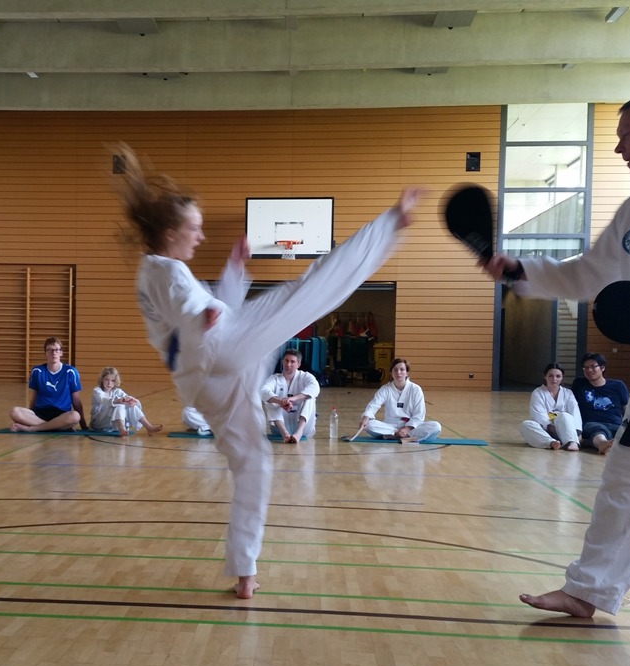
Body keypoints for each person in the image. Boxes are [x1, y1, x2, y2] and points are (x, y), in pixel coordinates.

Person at [112, 142, 421, 599]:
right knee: (309, 290)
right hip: (221, 349)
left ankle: (245, 571)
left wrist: (233, 271)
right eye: (194, 228)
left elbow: (194, 312)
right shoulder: (166, 271)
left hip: (205, 382)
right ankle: (390, 223)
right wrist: (204, 317)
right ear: (172, 231)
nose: (200, 236)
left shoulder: (152, 272)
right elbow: (190, 308)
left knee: (254, 463)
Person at [480, 91, 630, 618]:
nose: (619, 148)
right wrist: (521, 271)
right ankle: (588, 590)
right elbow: (589, 273)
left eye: (626, 136)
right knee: (625, 474)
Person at [9, 336, 87, 432]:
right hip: (41, 412)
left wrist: (83, 424)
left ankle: (33, 428)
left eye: (56, 350)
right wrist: (29, 414)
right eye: (49, 350)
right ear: (45, 353)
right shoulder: (37, 371)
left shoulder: (70, 372)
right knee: (14, 411)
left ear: (61, 353)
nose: (53, 353)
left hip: (62, 414)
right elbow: (34, 398)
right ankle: (57, 426)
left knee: (75, 416)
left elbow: (76, 401)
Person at [358, 358, 441, 442]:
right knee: (368, 424)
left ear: (407, 373)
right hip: (390, 427)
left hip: (410, 427)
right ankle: (399, 435)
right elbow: (374, 404)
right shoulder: (385, 389)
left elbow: (419, 414)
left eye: (402, 369)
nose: (398, 372)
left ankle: (396, 436)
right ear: (391, 373)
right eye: (395, 370)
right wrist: (365, 419)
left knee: (436, 426)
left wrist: (407, 429)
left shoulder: (416, 389)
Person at [570, 352, 629, 455]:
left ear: (602, 368)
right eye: (585, 367)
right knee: (598, 430)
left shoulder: (618, 385)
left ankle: (598, 443)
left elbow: (627, 408)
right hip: (591, 424)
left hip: (615, 424)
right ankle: (603, 444)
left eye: (593, 366)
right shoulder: (579, 384)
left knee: (625, 434)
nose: (589, 370)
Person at [260, 347, 320, 442]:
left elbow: (315, 388)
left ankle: (298, 433)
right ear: (282, 362)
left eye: (292, 362)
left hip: (304, 428)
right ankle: (285, 434)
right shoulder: (274, 378)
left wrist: (293, 399)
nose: (288, 364)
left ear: (298, 364)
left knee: (310, 397)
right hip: (278, 428)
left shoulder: (305, 376)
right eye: (286, 361)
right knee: (269, 400)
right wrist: (280, 402)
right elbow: (263, 391)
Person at [519, 362, 582, 450]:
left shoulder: (568, 393)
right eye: (551, 376)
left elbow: (575, 412)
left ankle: (572, 442)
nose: (554, 379)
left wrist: (575, 431)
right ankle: (551, 442)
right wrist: (551, 427)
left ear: (562, 377)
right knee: (525, 425)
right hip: (546, 431)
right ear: (545, 376)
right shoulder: (538, 393)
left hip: (566, 430)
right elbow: (538, 415)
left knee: (565, 416)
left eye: (558, 376)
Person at [89, 366, 163, 437]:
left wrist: (132, 401)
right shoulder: (97, 391)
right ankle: (121, 428)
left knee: (128, 404)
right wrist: (118, 401)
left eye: (112, 380)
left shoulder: (117, 391)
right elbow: (104, 400)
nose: (109, 383)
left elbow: (126, 397)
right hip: (98, 424)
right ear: (102, 379)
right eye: (106, 380)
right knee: (119, 404)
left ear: (116, 381)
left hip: (110, 424)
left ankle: (149, 427)